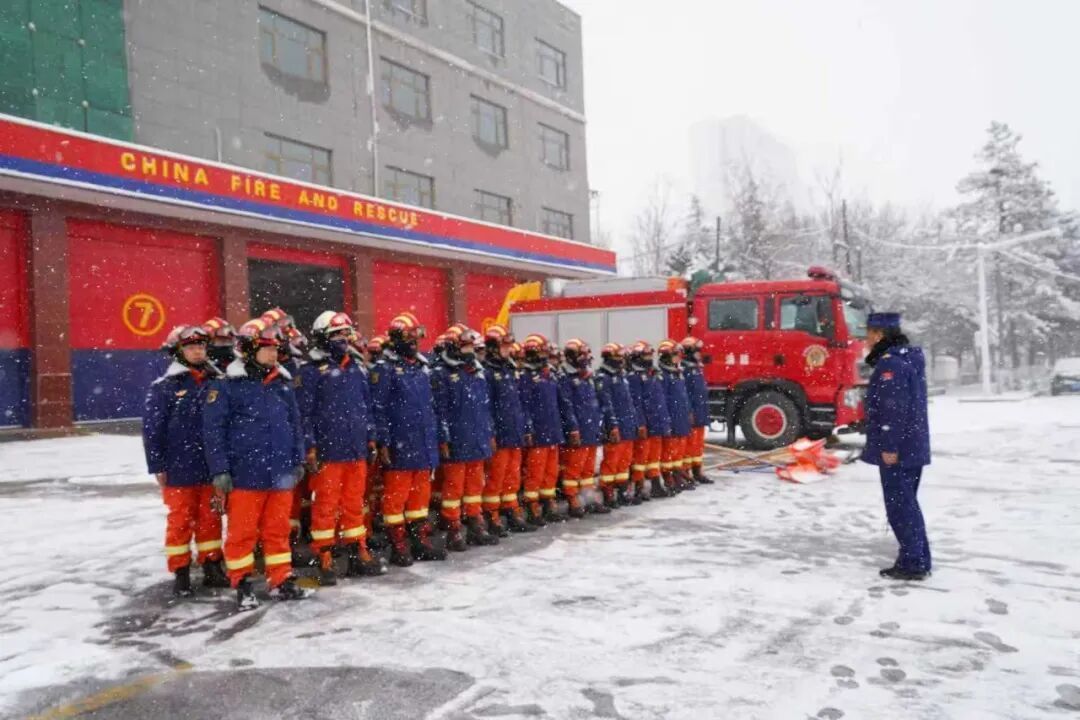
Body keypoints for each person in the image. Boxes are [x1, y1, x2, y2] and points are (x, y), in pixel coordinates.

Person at [202, 318, 311, 610]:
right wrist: (220, 470)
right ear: (248, 350)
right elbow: (214, 432)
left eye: (275, 348)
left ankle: (281, 579)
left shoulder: (282, 385)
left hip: (280, 473)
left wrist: (297, 459)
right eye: (266, 348)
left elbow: (295, 425)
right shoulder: (228, 387)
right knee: (242, 533)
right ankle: (242, 582)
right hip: (245, 475)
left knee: (278, 531)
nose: (274, 354)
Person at [296, 311, 385, 586]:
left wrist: (370, 437)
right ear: (323, 337)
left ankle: (356, 548)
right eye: (337, 335)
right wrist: (310, 447)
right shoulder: (310, 371)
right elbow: (304, 414)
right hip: (328, 452)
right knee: (326, 504)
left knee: (353, 504)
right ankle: (323, 553)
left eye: (346, 333)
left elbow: (366, 407)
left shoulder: (356, 368)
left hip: (356, 449)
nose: (344, 339)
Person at [142, 324, 228, 597]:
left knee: (211, 519)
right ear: (178, 352)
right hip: (178, 468)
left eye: (201, 346)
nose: (197, 351)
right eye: (191, 347)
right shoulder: (164, 388)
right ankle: (180, 571)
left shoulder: (218, 382)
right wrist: (157, 465)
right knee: (180, 520)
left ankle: (212, 564)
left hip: (210, 467)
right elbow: (152, 430)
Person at [370, 312, 446, 566]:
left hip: (423, 444)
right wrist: (383, 441)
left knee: (419, 497)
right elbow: (378, 408)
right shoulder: (385, 368)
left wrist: (436, 438)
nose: (415, 342)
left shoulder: (421, 367)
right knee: (396, 497)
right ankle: (398, 543)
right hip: (400, 444)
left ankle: (419, 541)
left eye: (417, 337)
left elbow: (431, 407)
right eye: (410, 337)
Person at [861, 312, 932, 581]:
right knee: (907, 505)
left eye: (868, 334)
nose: (866, 341)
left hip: (898, 451)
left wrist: (889, 447)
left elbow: (893, 410)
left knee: (900, 508)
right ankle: (918, 557)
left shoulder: (891, 366)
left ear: (879, 334)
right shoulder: (907, 359)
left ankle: (913, 563)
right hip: (911, 447)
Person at [431, 326, 498, 550]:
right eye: (467, 345)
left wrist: (489, 434)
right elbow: (439, 410)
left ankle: (475, 524)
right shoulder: (442, 373)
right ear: (455, 346)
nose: (471, 350)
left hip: (477, 439)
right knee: (453, 488)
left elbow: (484, 408)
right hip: (457, 441)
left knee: (475, 486)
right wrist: (444, 439)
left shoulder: (476, 372)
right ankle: (453, 527)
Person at [483, 325, 536, 534]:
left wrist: (523, 428)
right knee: (495, 477)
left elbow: (519, 404)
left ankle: (511, 511)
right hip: (501, 434)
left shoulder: (509, 370)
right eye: (503, 345)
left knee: (512, 476)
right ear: (494, 347)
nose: (507, 349)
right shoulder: (487, 372)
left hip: (513, 432)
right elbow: (486, 407)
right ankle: (492, 515)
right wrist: (492, 433)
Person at [558, 338, 609, 517]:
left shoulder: (588, 376)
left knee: (588, 468)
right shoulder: (566, 378)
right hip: (578, 430)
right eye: (583, 354)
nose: (586, 358)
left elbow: (596, 402)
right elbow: (567, 406)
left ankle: (587, 497)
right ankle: (572, 499)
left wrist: (598, 424)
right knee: (574, 468)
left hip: (591, 429)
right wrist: (573, 429)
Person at [518, 333, 565, 525]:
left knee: (550, 471)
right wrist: (529, 429)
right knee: (535, 472)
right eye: (542, 352)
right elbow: (525, 406)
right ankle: (532, 506)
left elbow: (558, 404)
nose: (546, 356)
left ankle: (548, 502)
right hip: (538, 433)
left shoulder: (549, 375)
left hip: (552, 432)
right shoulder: (526, 377)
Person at [595, 343, 641, 507]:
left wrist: (634, 422)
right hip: (616, 426)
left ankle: (621, 491)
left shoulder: (621, 376)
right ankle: (608, 492)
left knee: (624, 461)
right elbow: (606, 405)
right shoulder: (603, 377)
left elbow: (628, 403)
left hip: (627, 424)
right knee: (611, 461)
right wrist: (613, 425)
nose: (621, 361)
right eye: (618, 357)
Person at [627, 341, 672, 499]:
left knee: (654, 457)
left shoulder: (653, 373)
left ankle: (655, 484)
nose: (649, 358)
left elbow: (660, 400)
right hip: (646, 423)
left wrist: (664, 421)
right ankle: (639, 486)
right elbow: (636, 403)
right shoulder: (634, 377)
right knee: (641, 457)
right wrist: (641, 423)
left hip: (657, 422)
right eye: (645, 355)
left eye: (649, 355)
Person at [657, 340, 694, 493]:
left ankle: (678, 474)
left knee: (678, 451)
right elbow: (662, 401)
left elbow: (684, 396)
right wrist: (666, 420)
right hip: (672, 418)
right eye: (676, 355)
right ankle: (669, 477)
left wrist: (689, 412)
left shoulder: (677, 372)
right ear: (667, 356)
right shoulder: (663, 376)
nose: (679, 358)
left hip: (681, 418)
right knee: (669, 451)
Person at [680, 336, 714, 485]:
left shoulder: (696, 368)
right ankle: (685, 471)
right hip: (693, 412)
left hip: (700, 411)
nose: (700, 353)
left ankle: (697, 470)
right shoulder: (685, 369)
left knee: (698, 444)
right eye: (697, 351)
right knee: (689, 445)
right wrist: (689, 411)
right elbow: (684, 394)